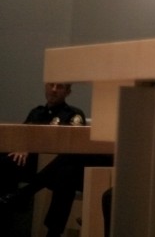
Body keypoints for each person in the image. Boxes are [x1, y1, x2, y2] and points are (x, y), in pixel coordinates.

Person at [0, 83, 112, 237]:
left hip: (59, 168)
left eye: (59, 87)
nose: (53, 90)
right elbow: (22, 137)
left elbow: (74, 147)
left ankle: (26, 194)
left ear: (68, 92)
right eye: (50, 85)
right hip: (35, 166)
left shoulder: (73, 114)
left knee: (67, 169)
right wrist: (23, 147)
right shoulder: (36, 113)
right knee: (7, 161)